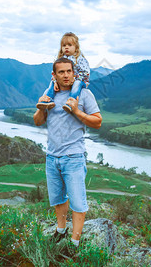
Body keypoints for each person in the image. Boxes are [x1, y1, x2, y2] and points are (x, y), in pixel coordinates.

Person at [33, 57, 102, 255]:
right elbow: (37, 121)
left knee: (78, 202)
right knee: (57, 198)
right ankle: (61, 230)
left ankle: (74, 243)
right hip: (52, 156)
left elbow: (97, 122)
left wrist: (77, 112)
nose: (65, 75)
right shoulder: (50, 94)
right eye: (61, 72)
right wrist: (41, 107)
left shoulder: (84, 95)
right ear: (54, 75)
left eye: (68, 71)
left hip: (73, 157)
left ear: (74, 73)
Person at [36, 32, 90, 113]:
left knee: (76, 85)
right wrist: (55, 81)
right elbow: (55, 72)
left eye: (69, 45)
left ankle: (71, 102)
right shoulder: (61, 59)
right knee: (52, 84)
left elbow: (86, 73)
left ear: (76, 47)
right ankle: (48, 100)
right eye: (64, 46)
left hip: (80, 80)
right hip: (66, 80)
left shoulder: (80, 59)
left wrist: (74, 79)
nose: (66, 48)